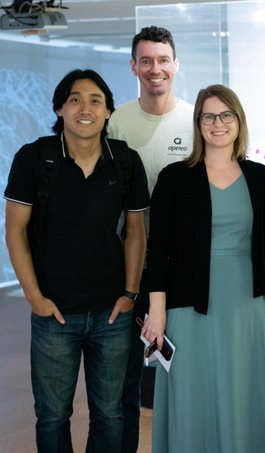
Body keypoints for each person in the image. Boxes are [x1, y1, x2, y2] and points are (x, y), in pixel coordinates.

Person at [4, 69, 149, 452]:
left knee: (111, 414)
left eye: (95, 100)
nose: (85, 108)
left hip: (112, 314)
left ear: (107, 112)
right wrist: (34, 297)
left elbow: (137, 231)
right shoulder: (35, 158)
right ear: (60, 109)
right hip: (54, 313)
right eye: (75, 99)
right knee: (52, 416)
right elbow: (15, 231)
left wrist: (130, 293)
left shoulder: (126, 161)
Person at [141, 84, 265, 452]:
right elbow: (157, 250)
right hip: (188, 307)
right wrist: (156, 312)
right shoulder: (175, 178)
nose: (218, 123)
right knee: (195, 394)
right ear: (198, 123)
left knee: (242, 390)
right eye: (209, 115)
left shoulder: (261, 178)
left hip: (247, 305)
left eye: (226, 115)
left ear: (239, 122)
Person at [107, 25, 194, 452]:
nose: (154, 69)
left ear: (175, 65)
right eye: (146, 60)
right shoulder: (117, 122)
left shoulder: (196, 119)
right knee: (127, 379)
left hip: (186, 269)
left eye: (162, 60)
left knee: (187, 372)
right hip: (133, 268)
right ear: (133, 66)